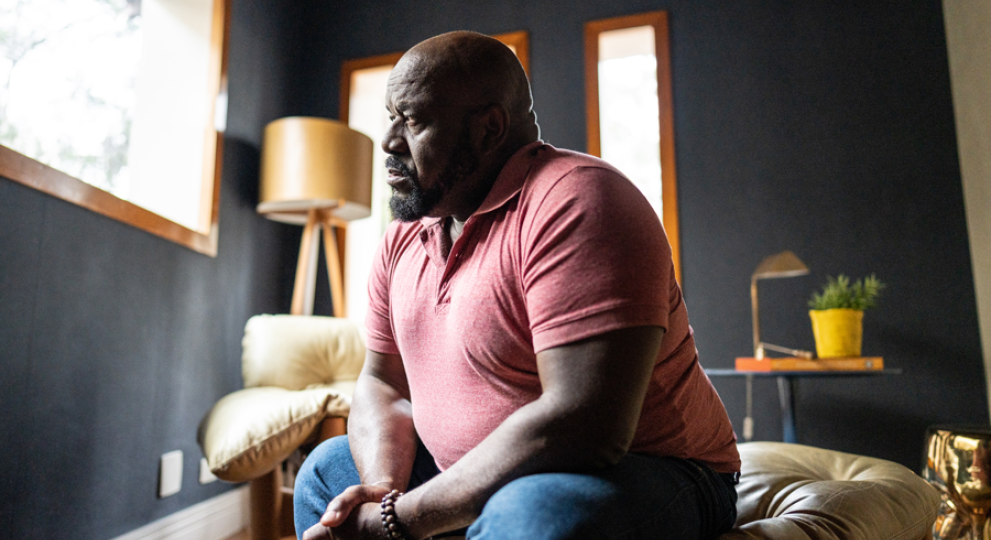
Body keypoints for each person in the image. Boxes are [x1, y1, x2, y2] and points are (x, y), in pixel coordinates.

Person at [294, 30, 740, 540]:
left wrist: (399, 521)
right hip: (465, 471)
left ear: (488, 129)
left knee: (533, 514)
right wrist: (381, 495)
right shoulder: (403, 240)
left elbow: (584, 425)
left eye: (413, 120)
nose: (390, 141)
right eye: (390, 118)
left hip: (656, 469)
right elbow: (383, 383)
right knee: (327, 472)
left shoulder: (578, 202)